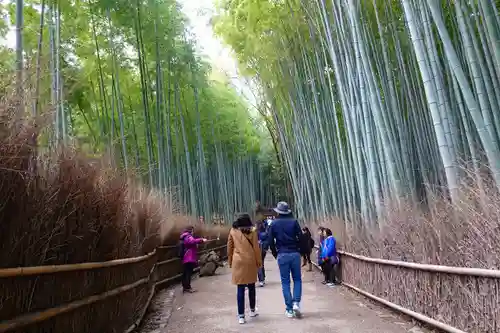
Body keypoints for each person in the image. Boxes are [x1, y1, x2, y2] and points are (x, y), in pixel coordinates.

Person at [268, 201, 303, 318]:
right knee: (297, 279)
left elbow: (270, 241)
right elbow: (301, 237)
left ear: (278, 212)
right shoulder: (294, 222)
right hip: (294, 253)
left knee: (285, 282)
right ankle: (296, 303)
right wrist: (299, 250)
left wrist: (275, 253)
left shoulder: (273, 224)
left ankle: (289, 309)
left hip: (282, 254)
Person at [227, 214, 262, 324]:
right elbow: (256, 248)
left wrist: (230, 261)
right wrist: (259, 263)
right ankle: (252, 311)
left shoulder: (233, 231)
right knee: (251, 286)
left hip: (238, 261)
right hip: (250, 261)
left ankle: (241, 316)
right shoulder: (253, 231)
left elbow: (229, 247)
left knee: (240, 288)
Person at [179, 226, 207, 293]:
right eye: (193, 230)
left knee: (185, 272)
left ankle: (185, 287)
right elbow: (192, 241)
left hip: (186, 257)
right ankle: (188, 287)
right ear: (191, 230)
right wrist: (201, 239)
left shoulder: (184, 236)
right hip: (189, 257)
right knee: (188, 272)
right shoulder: (188, 236)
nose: (193, 232)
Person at [257, 221, 269, 286]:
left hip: (258, 250)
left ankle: (261, 279)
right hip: (264, 250)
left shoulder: (257, 233)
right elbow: (268, 241)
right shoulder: (266, 233)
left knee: (259, 265)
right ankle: (263, 278)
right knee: (262, 263)